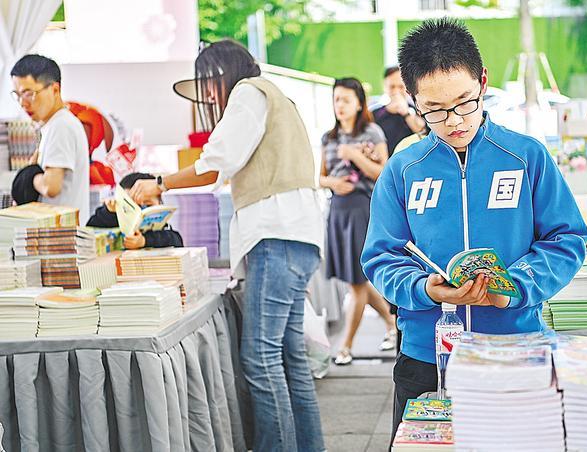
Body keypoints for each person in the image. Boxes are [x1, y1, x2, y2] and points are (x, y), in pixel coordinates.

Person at [360, 18, 587, 443]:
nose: (454, 121)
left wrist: (514, 287)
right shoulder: (403, 170)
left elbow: (566, 239)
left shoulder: (526, 157)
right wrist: (425, 289)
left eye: (464, 102)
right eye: (435, 110)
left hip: (516, 349)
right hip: (425, 357)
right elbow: (381, 256)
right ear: (413, 101)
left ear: (483, 83)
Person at [129, 39, 325, 452]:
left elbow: (215, 163)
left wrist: (160, 183)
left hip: (275, 236)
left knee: (260, 357)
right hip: (299, 236)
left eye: (209, 85)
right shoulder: (278, 96)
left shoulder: (248, 92)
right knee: (289, 358)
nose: (209, 96)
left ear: (222, 74)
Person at [319, 77, 396, 366]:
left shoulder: (372, 132)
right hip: (338, 210)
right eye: (336, 99)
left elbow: (384, 173)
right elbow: (320, 177)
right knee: (357, 280)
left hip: (363, 209)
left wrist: (354, 155)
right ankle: (391, 324)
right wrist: (333, 183)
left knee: (357, 282)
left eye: (346, 100)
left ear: (359, 103)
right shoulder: (328, 137)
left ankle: (346, 345)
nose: (340, 105)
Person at [11, 55, 90, 224]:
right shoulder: (53, 125)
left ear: (55, 90)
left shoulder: (61, 125)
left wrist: (30, 176)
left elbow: (50, 186)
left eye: (29, 94)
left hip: (61, 234)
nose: (23, 103)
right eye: (17, 95)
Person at [86, 172, 183, 250]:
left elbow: (176, 240)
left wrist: (144, 241)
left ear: (160, 203)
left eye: (147, 205)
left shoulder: (163, 229)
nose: (139, 212)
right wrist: (109, 212)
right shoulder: (114, 218)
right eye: (131, 206)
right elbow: (90, 230)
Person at [372, 66, 426, 157]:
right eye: (392, 87)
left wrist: (406, 112)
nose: (396, 91)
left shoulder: (418, 110)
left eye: (401, 87)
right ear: (385, 86)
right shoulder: (375, 113)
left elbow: (422, 131)